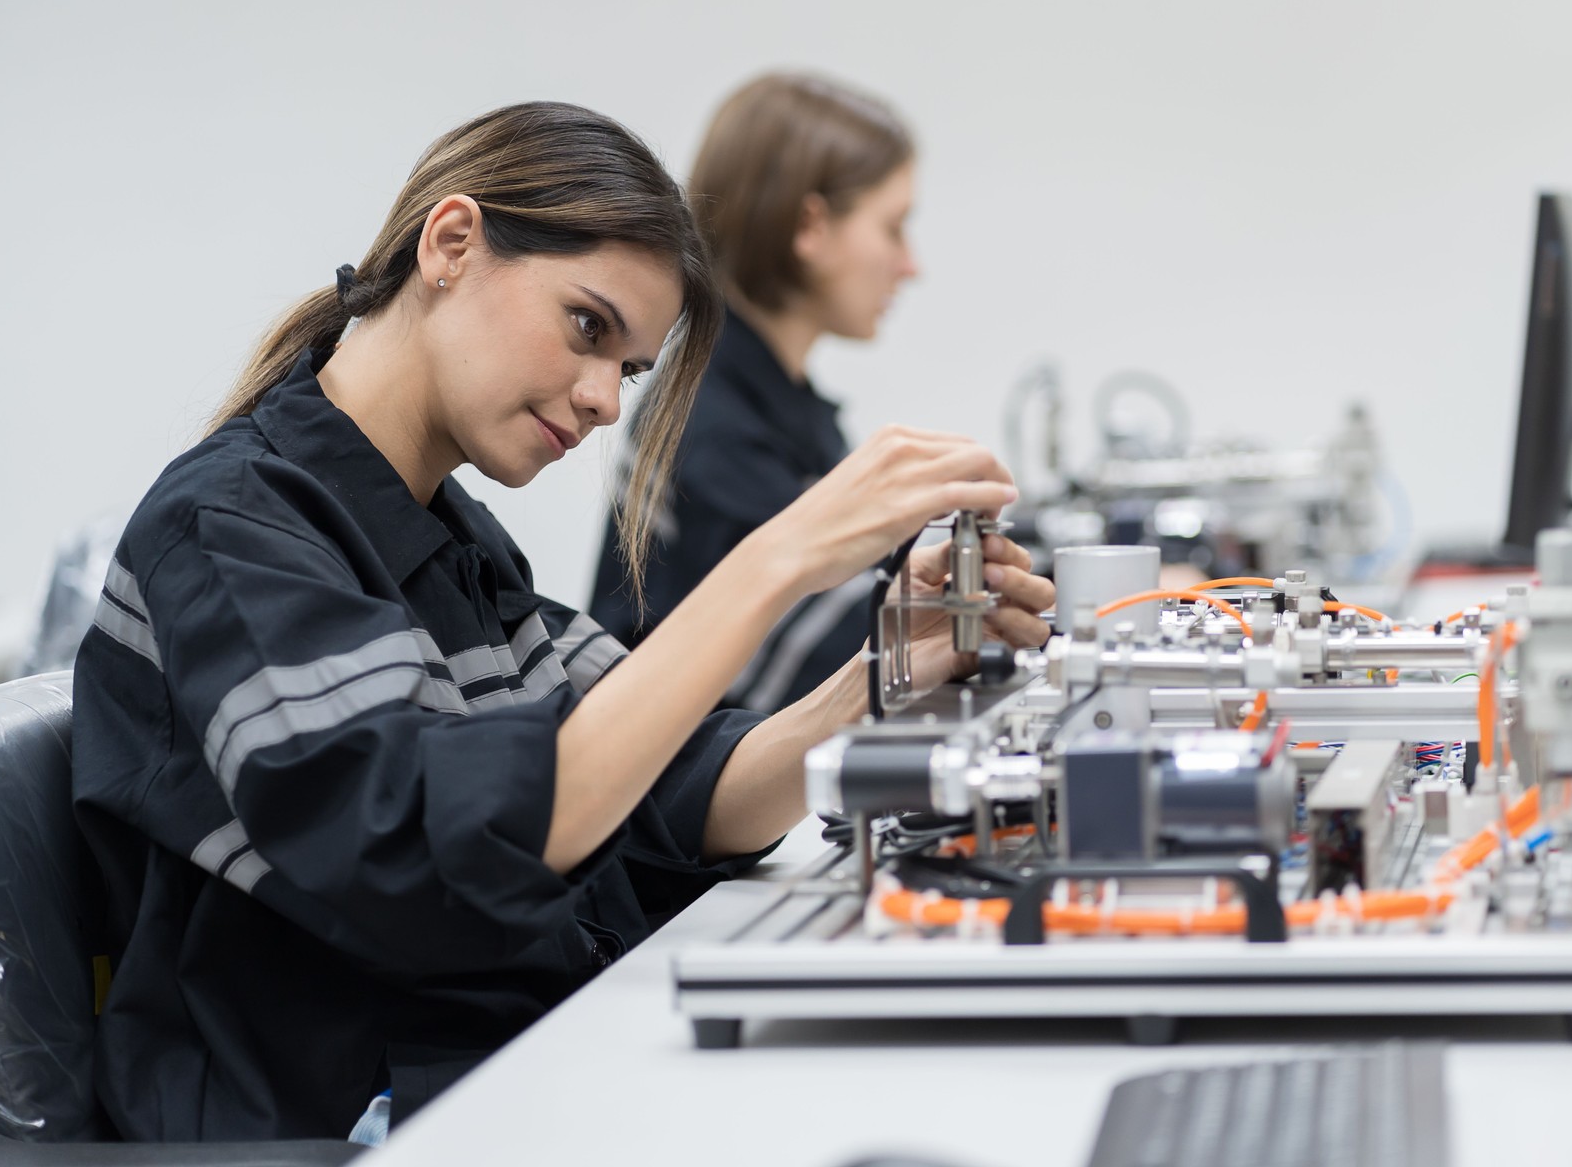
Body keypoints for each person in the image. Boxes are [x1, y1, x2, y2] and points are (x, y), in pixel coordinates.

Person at [69, 101, 1051, 1143]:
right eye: (588, 327)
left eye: (627, 368)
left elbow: (674, 788)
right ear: (451, 243)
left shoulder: (451, 541)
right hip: (358, 1121)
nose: (602, 400)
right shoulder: (231, 528)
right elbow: (429, 852)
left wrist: (882, 675)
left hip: (507, 1071)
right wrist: (776, 559)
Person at [590, 73, 922, 711]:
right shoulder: (717, 430)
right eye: (893, 228)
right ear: (810, 225)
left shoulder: (771, 401)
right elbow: (848, 640)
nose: (911, 265)